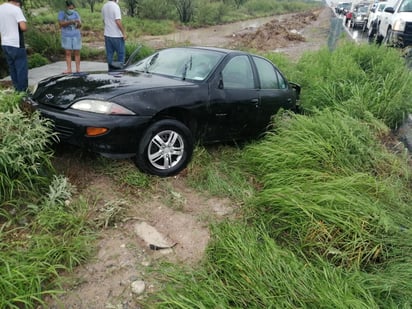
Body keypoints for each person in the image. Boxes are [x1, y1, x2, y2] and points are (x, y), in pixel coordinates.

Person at [0, 0, 28, 92]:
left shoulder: (1, 8)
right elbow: (23, 27)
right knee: (21, 69)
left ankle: (17, 91)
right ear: (17, 2)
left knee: (12, 69)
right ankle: (23, 93)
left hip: (5, 43)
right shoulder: (16, 9)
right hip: (16, 43)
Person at [102, 0, 127, 70]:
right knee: (121, 55)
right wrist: (124, 33)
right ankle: (119, 73)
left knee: (109, 56)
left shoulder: (104, 6)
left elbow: (104, 21)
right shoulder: (115, 6)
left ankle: (111, 73)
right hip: (116, 36)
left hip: (107, 35)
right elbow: (118, 21)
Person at [58, 0, 82, 74]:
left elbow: (79, 26)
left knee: (77, 52)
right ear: (66, 7)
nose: (71, 10)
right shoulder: (61, 13)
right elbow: (61, 24)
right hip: (66, 36)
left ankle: (78, 69)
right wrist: (70, 22)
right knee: (68, 53)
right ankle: (69, 69)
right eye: (70, 8)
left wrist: (78, 23)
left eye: (72, 8)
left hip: (76, 35)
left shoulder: (76, 13)